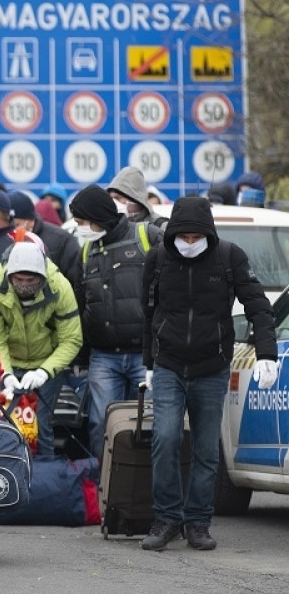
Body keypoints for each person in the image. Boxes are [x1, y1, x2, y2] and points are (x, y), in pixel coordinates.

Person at [140, 196, 277, 551]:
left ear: (207, 234)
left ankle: (198, 523)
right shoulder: (157, 260)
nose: (188, 243)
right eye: (181, 237)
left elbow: (259, 308)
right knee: (165, 439)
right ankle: (167, 518)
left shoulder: (229, 257)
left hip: (212, 366)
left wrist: (266, 354)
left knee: (206, 449)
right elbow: (148, 312)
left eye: (194, 237)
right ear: (171, 235)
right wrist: (149, 363)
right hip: (169, 364)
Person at [69, 185, 162, 457]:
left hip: (145, 357)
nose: (80, 228)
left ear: (98, 217)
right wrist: (81, 356)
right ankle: (106, 488)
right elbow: (80, 303)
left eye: (82, 222)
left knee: (147, 425)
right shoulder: (86, 253)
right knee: (101, 424)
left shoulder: (147, 237)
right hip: (104, 356)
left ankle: (143, 488)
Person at [0, 241, 83, 456]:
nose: (25, 285)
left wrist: (44, 372)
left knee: (41, 425)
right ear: (9, 276)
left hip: (46, 361)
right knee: (1, 422)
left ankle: (44, 479)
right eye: (19, 279)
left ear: (42, 277)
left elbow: (71, 339)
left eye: (31, 280)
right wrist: (5, 373)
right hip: (8, 360)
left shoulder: (59, 287)